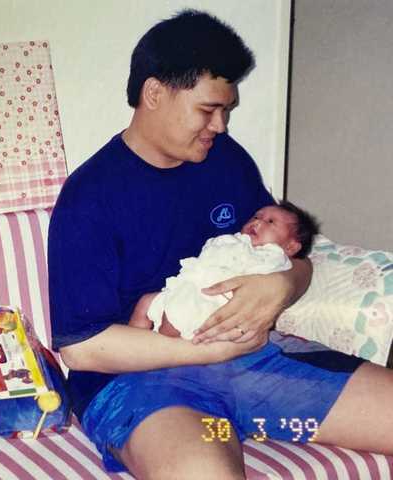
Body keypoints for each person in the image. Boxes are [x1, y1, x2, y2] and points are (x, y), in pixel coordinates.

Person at [48, 9, 393, 479]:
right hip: (146, 389)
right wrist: (208, 353)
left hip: (258, 370)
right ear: (154, 93)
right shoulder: (90, 197)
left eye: (226, 110)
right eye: (208, 110)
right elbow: (83, 349)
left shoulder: (226, 162)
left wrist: (284, 286)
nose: (222, 126)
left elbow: (293, 254)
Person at [129, 201, 319, 339]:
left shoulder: (273, 257)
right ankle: (134, 345)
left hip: (214, 304)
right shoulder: (234, 239)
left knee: (174, 321)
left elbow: (260, 285)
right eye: (256, 216)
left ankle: (162, 355)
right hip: (190, 287)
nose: (258, 222)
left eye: (270, 222)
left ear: (291, 247)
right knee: (146, 302)